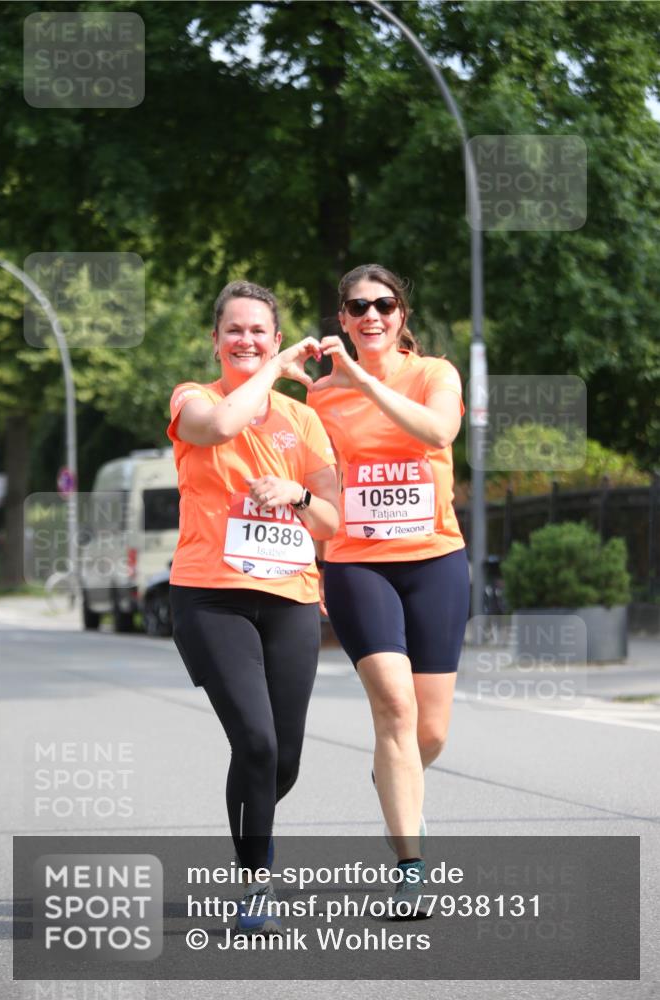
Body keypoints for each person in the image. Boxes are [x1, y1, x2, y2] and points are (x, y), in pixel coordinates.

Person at [167, 280, 339, 934]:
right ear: (215, 341)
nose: (245, 339)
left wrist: (295, 494)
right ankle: (253, 883)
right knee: (257, 743)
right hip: (210, 597)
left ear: (272, 337)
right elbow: (223, 424)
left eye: (258, 331)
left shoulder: (303, 421)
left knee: (282, 758)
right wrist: (271, 371)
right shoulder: (193, 399)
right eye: (234, 330)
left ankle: (252, 834)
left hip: (290, 597)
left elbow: (328, 520)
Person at [308, 263, 469, 913]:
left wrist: (363, 382)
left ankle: (393, 780)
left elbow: (437, 433)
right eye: (356, 307)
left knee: (429, 732)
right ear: (341, 320)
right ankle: (410, 866)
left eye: (384, 304)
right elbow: (315, 481)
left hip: (434, 560)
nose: (370, 315)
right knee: (395, 712)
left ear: (402, 315)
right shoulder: (321, 398)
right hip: (357, 562)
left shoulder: (435, 374)